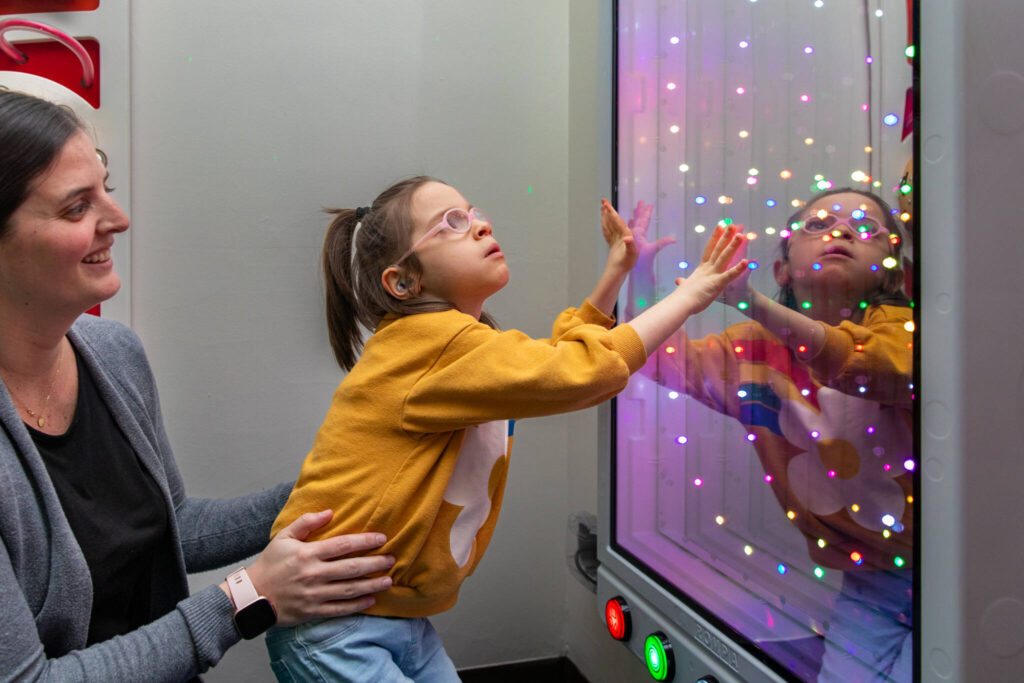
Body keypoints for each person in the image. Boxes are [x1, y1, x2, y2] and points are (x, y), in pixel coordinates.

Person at [264, 176, 749, 681]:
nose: (480, 225)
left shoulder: (457, 345)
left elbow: (557, 360)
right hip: (334, 626)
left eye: (472, 212)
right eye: (452, 224)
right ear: (403, 281)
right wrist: (690, 295)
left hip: (392, 616)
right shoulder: (425, 346)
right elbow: (578, 372)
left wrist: (616, 272)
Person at [0, 89, 396, 682]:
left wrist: (338, 485)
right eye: (77, 207)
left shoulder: (115, 355)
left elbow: (168, 525)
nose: (118, 218)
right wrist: (245, 598)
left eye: (106, 187)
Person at [627, 189, 914, 682]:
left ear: (891, 271)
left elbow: (865, 365)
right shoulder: (753, 354)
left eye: (864, 228)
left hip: (952, 567)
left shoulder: (906, 331)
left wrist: (752, 303)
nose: (841, 231)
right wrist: (638, 274)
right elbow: (658, 360)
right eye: (817, 225)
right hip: (870, 579)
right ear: (783, 270)